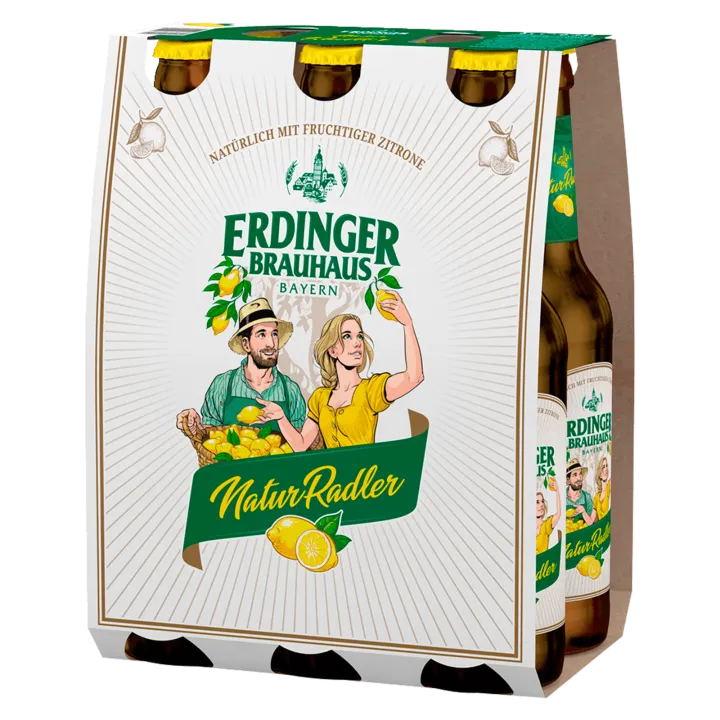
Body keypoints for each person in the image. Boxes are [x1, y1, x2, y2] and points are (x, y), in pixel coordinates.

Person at [253, 291, 423, 450]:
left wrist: (407, 324)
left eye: (360, 336)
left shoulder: (371, 390)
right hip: (330, 473)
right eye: (347, 336)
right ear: (332, 350)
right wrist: (281, 416)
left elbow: (414, 377)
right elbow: (300, 445)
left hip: (366, 472)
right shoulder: (320, 397)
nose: (357, 343)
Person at [176, 298, 306, 435]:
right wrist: (194, 426)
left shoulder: (290, 390)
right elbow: (211, 436)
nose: (271, 343)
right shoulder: (223, 384)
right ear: (246, 344)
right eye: (262, 334)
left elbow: (299, 442)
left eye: (274, 334)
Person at [566, 457, 597, 531]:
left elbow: (592, 525)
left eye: (580, 474)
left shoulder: (587, 497)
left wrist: (583, 511)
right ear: (568, 481)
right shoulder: (561, 498)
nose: (579, 478)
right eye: (575, 475)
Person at [536, 479, 562, 554]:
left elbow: (558, 514)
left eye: (542, 501)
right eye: (537, 502)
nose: (541, 505)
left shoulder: (546, 525)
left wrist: (557, 491)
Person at [592, 455, 611, 520]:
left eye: (606, 466)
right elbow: (592, 520)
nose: (606, 469)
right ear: (599, 474)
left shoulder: (610, 485)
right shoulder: (596, 497)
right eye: (603, 467)